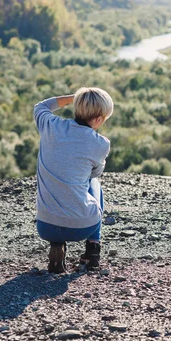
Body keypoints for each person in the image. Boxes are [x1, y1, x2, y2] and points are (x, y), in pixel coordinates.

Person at [33, 87, 113, 273]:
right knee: (94, 184)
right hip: (82, 227)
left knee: (59, 186)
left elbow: (41, 106)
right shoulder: (101, 143)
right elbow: (95, 172)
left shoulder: (50, 125)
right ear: (99, 119)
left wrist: (74, 98)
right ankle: (93, 250)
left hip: (45, 226)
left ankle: (57, 244)